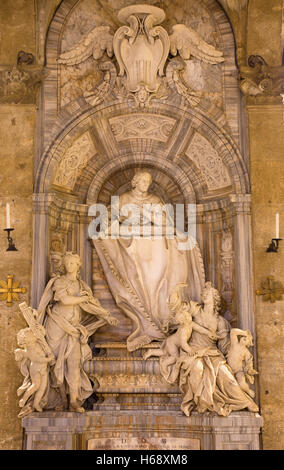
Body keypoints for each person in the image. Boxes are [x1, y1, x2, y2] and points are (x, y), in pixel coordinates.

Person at [94, 170, 205, 351]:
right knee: (122, 242)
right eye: (143, 180)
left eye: (148, 180)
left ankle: (158, 314)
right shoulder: (123, 199)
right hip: (129, 238)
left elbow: (164, 222)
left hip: (153, 238)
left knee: (163, 259)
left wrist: (148, 216)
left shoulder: (155, 200)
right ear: (134, 182)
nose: (146, 183)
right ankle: (148, 319)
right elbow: (110, 219)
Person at [37, 252, 118, 412]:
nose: (69, 266)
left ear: (78, 265)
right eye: (67, 263)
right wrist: (83, 299)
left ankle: (73, 401)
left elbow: (91, 305)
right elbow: (65, 300)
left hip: (73, 329)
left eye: (73, 263)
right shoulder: (59, 281)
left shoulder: (82, 286)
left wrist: (105, 315)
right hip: (57, 326)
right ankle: (61, 399)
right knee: (56, 365)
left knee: (74, 364)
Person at [175, 282, 259, 416]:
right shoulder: (195, 311)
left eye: (208, 293)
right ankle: (201, 402)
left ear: (215, 298)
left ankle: (245, 402)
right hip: (194, 351)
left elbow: (224, 346)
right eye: (203, 293)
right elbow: (178, 309)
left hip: (213, 353)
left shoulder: (220, 321)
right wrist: (176, 290)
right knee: (197, 368)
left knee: (225, 375)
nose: (204, 295)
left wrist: (237, 351)